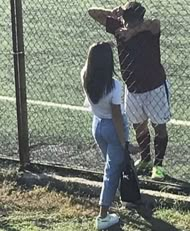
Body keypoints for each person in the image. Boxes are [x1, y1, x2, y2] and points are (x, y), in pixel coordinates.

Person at [88, 2, 171, 180]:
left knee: (159, 127)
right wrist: (110, 11)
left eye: (130, 21)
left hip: (154, 87)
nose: (127, 24)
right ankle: (146, 159)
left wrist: (133, 31)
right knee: (138, 125)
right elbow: (92, 13)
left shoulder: (149, 31)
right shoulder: (118, 27)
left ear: (138, 19)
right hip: (132, 88)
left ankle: (159, 166)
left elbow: (155, 23)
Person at [81, 42, 137, 230]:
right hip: (113, 129)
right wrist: (125, 143)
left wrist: (103, 46)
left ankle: (123, 197)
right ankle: (103, 215)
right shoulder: (114, 86)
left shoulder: (85, 75)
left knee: (112, 166)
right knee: (111, 172)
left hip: (97, 125)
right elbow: (116, 118)